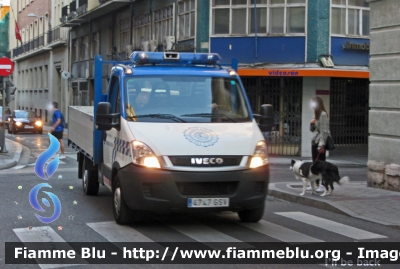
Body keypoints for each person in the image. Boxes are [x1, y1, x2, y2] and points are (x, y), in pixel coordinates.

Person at [307, 96, 330, 193]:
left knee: (322, 164)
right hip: (314, 141)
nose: (312, 105)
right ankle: (315, 184)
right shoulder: (316, 114)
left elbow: (324, 131)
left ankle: (323, 185)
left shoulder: (323, 114)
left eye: (313, 103)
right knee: (315, 164)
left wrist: (321, 145)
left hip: (320, 142)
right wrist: (311, 123)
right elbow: (312, 130)